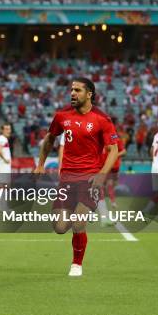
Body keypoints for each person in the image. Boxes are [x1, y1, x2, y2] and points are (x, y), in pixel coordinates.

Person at [34, 78, 119, 277]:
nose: (73, 93)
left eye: (78, 90)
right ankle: (83, 216)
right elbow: (50, 138)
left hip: (89, 179)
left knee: (79, 222)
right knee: (60, 227)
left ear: (89, 94)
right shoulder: (62, 115)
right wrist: (40, 164)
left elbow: (113, 149)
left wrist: (101, 174)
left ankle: (76, 264)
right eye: (72, 90)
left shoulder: (102, 119)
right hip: (66, 180)